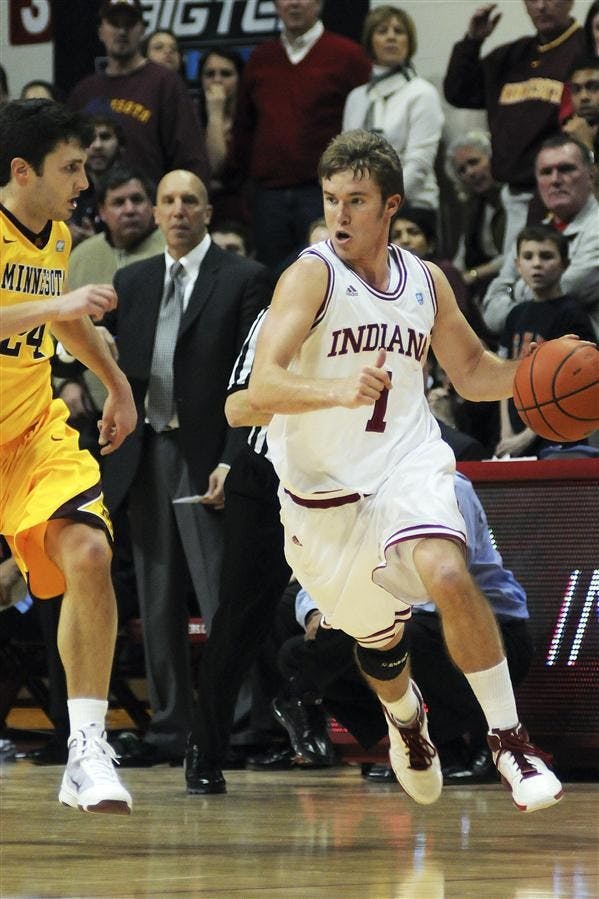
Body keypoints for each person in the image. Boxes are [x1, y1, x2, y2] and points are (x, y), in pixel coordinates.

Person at [247, 128, 564, 813]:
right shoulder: (309, 275)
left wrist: (539, 373)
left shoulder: (425, 279)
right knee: (379, 642)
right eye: (331, 199)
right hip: (321, 502)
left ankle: (509, 738)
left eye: (355, 201)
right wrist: (332, 390)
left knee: (447, 570)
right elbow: (244, 399)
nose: (339, 215)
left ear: (390, 205)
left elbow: (475, 373)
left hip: (405, 464)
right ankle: (405, 721)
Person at [100, 170, 271, 765]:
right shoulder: (133, 280)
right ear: (154, 210)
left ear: (206, 211)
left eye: (188, 201)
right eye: (166, 199)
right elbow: (117, 367)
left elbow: (251, 378)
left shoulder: (243, 278)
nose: (176, 210)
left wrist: (232, 457)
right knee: (156, 595)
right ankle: (171, 724)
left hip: (211, 456)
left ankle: (238, 723)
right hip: (146, 448)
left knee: (220, 590)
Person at [0, 98, 137, 813]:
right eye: (70, 168)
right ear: (23, 170)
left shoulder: (53, 233)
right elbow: (51, 311)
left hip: (27, 434)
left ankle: (86, 748)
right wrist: (56, 309)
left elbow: (68, 321)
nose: (82, 181)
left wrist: (114, 383)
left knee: (89, 553)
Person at [268, 470, 534, 785]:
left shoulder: (446, 484)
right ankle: (415, 745)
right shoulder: (358, 491)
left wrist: (347, 618)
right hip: (413, 623)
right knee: (300, 652)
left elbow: (442, 590)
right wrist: (316, 612)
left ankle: (485, 741)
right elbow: (324, 575)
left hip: (494, 631)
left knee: (395, 637)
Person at [184, 308, 292, 794]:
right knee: (240, 616)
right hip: (268, 473)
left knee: (372, 608)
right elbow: (238, 400)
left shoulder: (376, 310)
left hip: (349, 479)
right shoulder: (277, 315)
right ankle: (205, 748)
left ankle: (401, 739)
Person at [231, 0, 371, 271]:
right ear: (275, 5)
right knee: (273, 278)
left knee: (333, 271)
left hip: (324, 191)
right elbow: (244, 126)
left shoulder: (348, 55)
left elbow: (364, 125)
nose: (294, 3)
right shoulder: (261, 57)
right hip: (268, 196)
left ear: (319, 4)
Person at [443, 1, 586, 258]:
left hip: (563, 192)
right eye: (532, 0)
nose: (541, 6)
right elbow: (458, 91)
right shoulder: (511, 56)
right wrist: (472, 42)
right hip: (514, 195)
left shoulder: (585, 51)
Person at [68, 0, 208, 186]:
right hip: (92, 208)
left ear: (142, 30)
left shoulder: (165, 83)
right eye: (115, 23)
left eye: (129, 23)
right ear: (101, 30)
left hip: (150, 207)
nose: (122, 31)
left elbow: (191, 156)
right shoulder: (83, 92)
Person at [483, 135, 599, 338]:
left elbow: (571, 287)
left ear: (591, 175)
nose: (555, 180)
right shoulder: (534, 232)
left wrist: (512, 292)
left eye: (566, 169)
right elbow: (492, 312)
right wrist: (534, 301)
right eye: (546, 172)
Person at [495, 224, 596, 459]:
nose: (537, 264)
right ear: (518, 265)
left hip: (560, 434)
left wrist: (527, 436)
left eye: (546, 256)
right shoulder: (516, 314)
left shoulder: (572, 315)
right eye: (528, 257)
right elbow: (502, 375)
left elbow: (578, 384)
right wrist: (506, 432)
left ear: (565, 264)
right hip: (514, 434)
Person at [342, 5, 444, 212]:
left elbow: (420, 162)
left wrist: (382, 204)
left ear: (409, 41)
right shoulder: (357, 97)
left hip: (413, 206)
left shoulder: (422, 92)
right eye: (382, 31)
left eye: (399, 31)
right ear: (371, 40)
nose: (391, 37)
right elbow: (346, 159)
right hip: (363, 210)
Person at [68, 165, 163, 289]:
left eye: (137, 200)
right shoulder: (81, 258)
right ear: (102, 212)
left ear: (151, 205)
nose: (129, 210)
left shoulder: (172, 249)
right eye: (118, 203)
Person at [446, 131, 506, 298]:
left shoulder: (514, 197)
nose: (470, 173)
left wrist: (473, 274)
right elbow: (460, 257)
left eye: (474, 162)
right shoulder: (474, 207)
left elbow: (514, 255)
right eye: (462, 170)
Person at [197, 47, 247, 224]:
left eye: (226, 74)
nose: (217, 80)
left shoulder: (250, 120)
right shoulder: (191, 119)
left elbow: (219, 166)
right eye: (210, 74)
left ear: (239, 78)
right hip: (204, 210)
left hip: (243, 208)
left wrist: (216, 112)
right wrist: (215, 115)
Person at [68, 114, 126, 247]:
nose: (97, 145)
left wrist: (97, 244)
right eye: (90, 139)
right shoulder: (67, 189)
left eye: (105, 137)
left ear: (120, 144)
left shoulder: (132, 189)